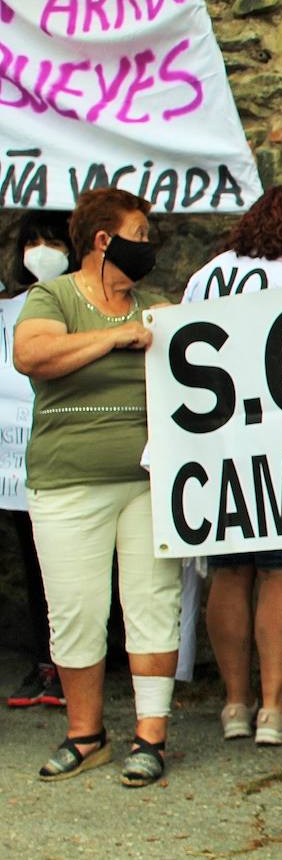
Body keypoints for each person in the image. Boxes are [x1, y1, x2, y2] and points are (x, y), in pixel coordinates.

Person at [13, 188, 177, 787]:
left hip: (146, 480)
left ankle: (150, 735)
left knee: (153, 602)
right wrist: (112, 338)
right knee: (77, 612)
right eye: (140, 232)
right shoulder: (51, 297)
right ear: (104, 240)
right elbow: (30, 354)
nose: (149, 243)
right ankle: (85, 736)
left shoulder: (156, 306)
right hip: (67, 480)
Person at [182, 184, 282, 745]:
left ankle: (234, 704)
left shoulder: (207, 273)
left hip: (217, 442)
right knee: (280, 572)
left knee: (228, 570)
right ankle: (274, 708)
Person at [3, 210, 76, 709]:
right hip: (14, 463)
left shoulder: (84, 304)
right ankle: (47, 661)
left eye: (54, 240)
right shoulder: (8, 310)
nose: (43, 250)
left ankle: (75, 662)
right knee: (33, 562)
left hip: (66, 456)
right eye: (34, 240)